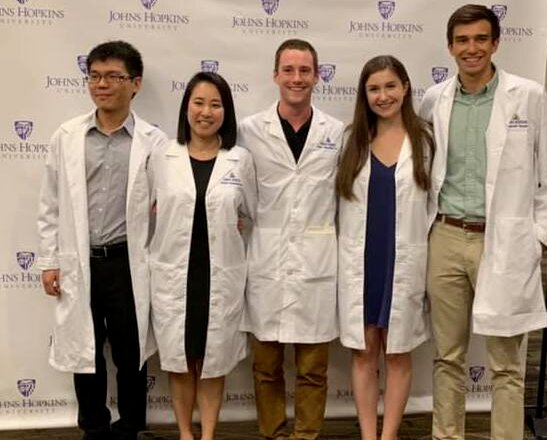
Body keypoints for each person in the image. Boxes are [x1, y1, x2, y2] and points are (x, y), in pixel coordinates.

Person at [419, 4, 547, 440]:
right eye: (463, 41)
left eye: (481, 39)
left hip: (503, 241)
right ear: (450, 47)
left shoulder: (528, 96)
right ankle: (447, 435)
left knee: (507, 362)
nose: (472, 49)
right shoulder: (435, 100)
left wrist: (538, 240)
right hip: (446, 237)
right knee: (447, 355)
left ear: (496, 43)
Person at [37, 40, 166, 440]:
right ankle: (93, 426)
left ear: (136, 83)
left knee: (131, 353)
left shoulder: (154, 142)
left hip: (129, 262)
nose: (102, 84)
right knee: (85, 352)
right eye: (94, 76)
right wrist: (49, 261)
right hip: (81, 261)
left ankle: (130, 427)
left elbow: (168, 205)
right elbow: (50, 203)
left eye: (113, 76)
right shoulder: (68, 136)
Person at [237, 38, 344, 440]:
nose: (296, 78)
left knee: (313, 369)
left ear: (317, 76)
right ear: (275, 75)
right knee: (265, 366)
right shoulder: (250, 131)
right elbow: (237, 191)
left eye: (305, 70)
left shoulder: (336, 132)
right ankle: (273, 433)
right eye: (289, 70)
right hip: (265, 262)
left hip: (317, 265)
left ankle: (306, 435)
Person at [148, 71, 256, 440]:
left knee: (213, 362)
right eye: (199, 102)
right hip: (175, 274)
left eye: (215, 104)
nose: (206, 112)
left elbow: (252, 215)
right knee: (180, 360)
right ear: (186, 107)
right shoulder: (163, 156)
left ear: (226, 111)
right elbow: (144, 212)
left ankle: (207, 434)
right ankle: (184, 433)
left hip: (219, 275)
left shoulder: (239, 160)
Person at [336, 55, 433, 440]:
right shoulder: (352, 140)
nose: (383, 95)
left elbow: (435, 203)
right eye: (374, 88)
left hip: (404, 260)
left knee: (397, 352)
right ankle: (367, 434)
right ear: (365, 94)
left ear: (406, 88)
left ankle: (388, 435)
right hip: (363, 260)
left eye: (390, 86)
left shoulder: (424, 141)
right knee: (364, 352)